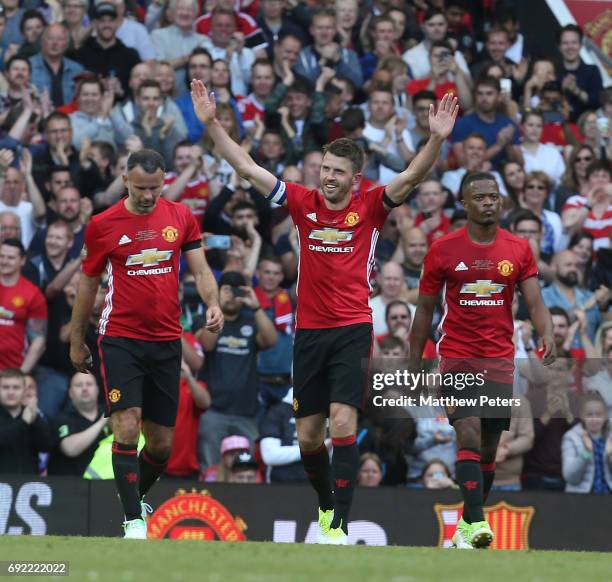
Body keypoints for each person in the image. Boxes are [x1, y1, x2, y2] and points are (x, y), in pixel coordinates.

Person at [191, 79, 458, 544]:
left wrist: (435, 138)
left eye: (338, 172)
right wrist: (213, 124)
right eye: (325, 169)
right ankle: (326, 502)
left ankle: (336, 524)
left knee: (342, 423)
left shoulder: (372, 206)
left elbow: (412, 177)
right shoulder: (302, 202)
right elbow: (247, 167)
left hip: (353, 328)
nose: (328, 177)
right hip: (308, 333)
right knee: (310, 437)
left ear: (355, 179)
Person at [68, 149, 223, 539]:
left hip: (167, 340)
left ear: (164, 181)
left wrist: (213, 303)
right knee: (126, 423)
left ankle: (133, 499)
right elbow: (87, 284)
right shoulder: (103, 225)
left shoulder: (180, 216)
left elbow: (201, 269)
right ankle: (134, 521)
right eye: (141, 188)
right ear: (125, 180)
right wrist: (77, 340)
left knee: (161, 445)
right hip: (120, 337)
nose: (149, 195)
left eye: (155, 188)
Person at [409, 171, 555, 549]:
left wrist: (547, 332)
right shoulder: (442, 249)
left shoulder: (519, 248)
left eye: (494, 196)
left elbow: (535, 302)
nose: (489, 202)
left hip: (500, 359)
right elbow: (424, 310)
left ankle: (464, 525)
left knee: (488, 447)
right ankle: (475, 523)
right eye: (481, 197)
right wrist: (414, 359)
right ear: (464, 203)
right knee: (469, 433)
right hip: (457, 356)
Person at [47, 372, 110, 475]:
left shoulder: (111, 416)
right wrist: (102, 422)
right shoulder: (61, 419)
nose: (84, 388)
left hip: (104, 485)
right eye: (79, 385)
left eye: (89, 384)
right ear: (70, 393)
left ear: (97, 390)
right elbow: (70, 449)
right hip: (71, 486)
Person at [0, 238, 47, 373]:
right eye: (1, 256)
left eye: (10, 258)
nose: (4, 261)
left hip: (13, 370)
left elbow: (38, 341)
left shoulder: (32, 293)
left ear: (22, 260)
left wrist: (20, 374)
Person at [0, 368, 52, 474]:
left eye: (16, 387)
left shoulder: (33, 416)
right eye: (5, 387)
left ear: (24, 391)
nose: (10, 392)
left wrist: (35, 419)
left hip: (28, 485)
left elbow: (46, 446)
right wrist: (24, 423)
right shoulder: (26, 419)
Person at [561, 391, 612, 493]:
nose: (594, 419)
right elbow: (570, 477)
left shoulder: (610, 437)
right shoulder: (571, 437)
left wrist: (610, 455)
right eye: (589, 414)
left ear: (605, 416)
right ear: (582, 416)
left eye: (598, 414)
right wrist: (586, 452)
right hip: (581, 501)